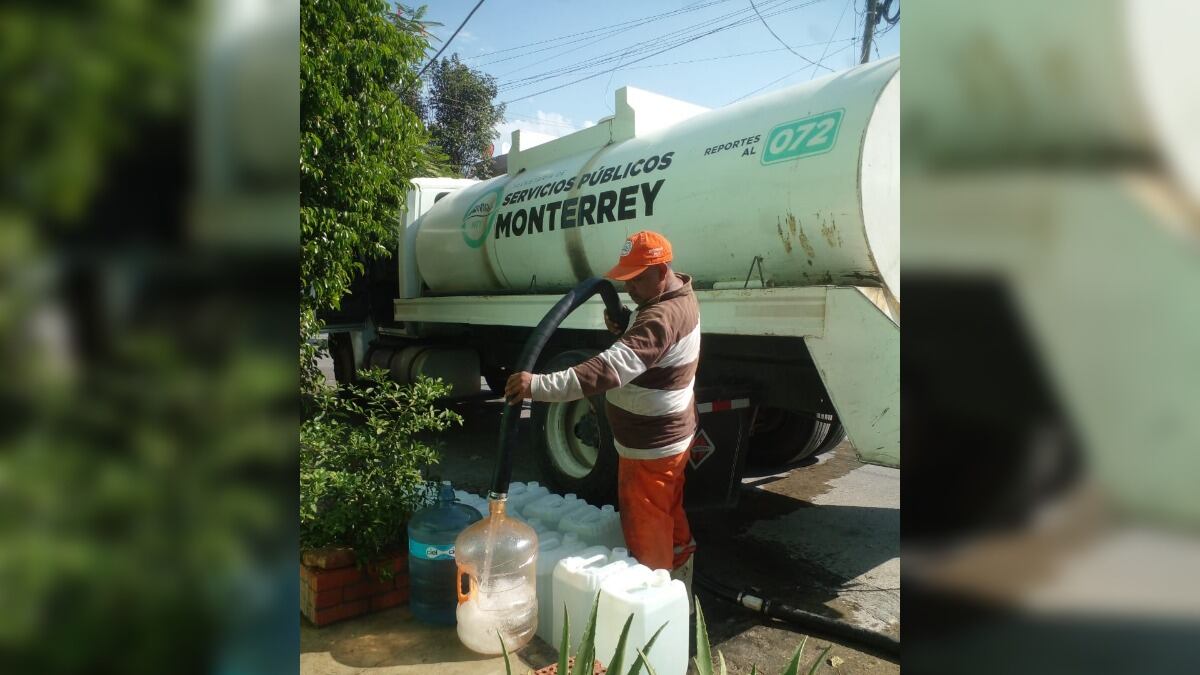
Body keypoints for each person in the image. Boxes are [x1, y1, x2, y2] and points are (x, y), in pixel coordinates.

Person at [504, 230, 699, 590]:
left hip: (651, 445)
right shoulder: (678, 296)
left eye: (638, 279)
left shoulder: (660, 317)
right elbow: (657, 351)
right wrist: (627, 326)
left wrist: (537, 385)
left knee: (646, 524)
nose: (629, 288)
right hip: (669, 437)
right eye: (626, 279)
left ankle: (655, 596)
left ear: (661, 269)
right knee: (668, 509)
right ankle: (681, 570)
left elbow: (606, 371)